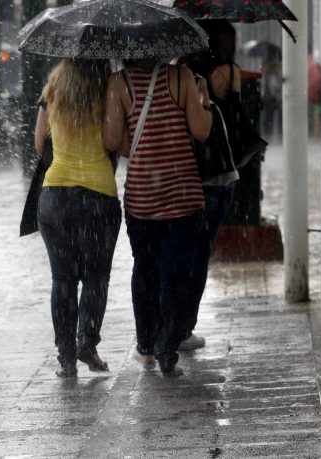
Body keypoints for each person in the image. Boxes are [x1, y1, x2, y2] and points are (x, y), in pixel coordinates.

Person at [103, 58, 212, 378]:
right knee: (176, 273)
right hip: (182, 194)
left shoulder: (118, 83)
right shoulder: (181, 78)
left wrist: (140, 148)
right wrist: (203, 98)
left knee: (145, 269)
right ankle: (168, 347)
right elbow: (201, 131)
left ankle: (147, 345)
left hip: (142, 198)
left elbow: (111, 140)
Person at [33, 59, 122, 378]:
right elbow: (113, 141)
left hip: (55, 196)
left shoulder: (53, 87)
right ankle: (88, 342)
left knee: (63, 279)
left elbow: (38, 141)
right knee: (96, 278)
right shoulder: (108, 87)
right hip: (97, 196)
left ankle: (66, 358)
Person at [179, 21, 243, 352]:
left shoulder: (183, 74)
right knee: (201, 254)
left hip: (187, 172)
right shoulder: (229, 73)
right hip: (220, 173)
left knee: (181, 251)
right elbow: (236, 118)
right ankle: (185, 324)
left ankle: (173, 321)